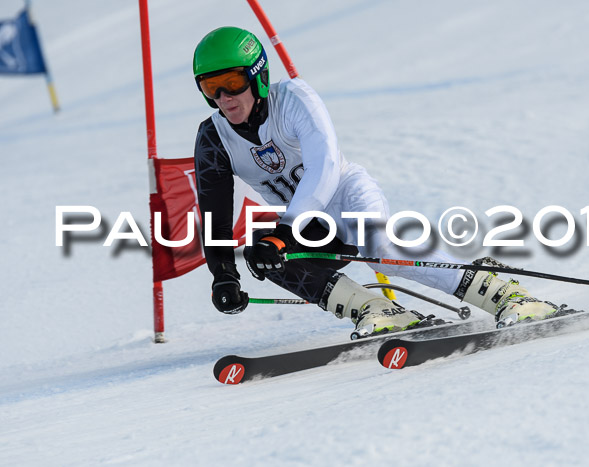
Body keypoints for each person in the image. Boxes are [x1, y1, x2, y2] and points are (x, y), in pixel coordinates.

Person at [193, 27, 558, 337]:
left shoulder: (294, 99)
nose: (224, 98)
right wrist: (223, 275)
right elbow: (215, 217)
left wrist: (285, 232)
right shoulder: (214, 138)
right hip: (311, 227)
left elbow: (326, 166)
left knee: (381, 247)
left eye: (232, 82)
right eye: (212, 87)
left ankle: (505, 294)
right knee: (264, 255)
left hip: (346, 196)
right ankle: (378, 310)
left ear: (257, 75)